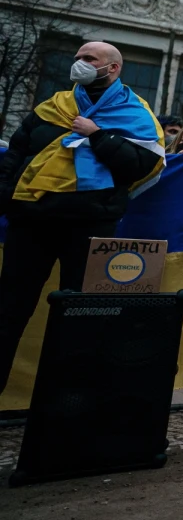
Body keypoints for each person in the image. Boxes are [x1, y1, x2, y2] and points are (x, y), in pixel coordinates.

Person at [0, 42, 164, 394]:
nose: (79, 63)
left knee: (79, 318)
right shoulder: (51, 107)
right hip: (32, 222)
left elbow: (142, 165)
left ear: (113, 68)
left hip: (91, 226)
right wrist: (7, 200)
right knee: (8, 312)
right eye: (76, 57)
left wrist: (97, 135)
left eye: (89, 59)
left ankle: (63, 408)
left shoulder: (136, 114)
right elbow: (15, 154)